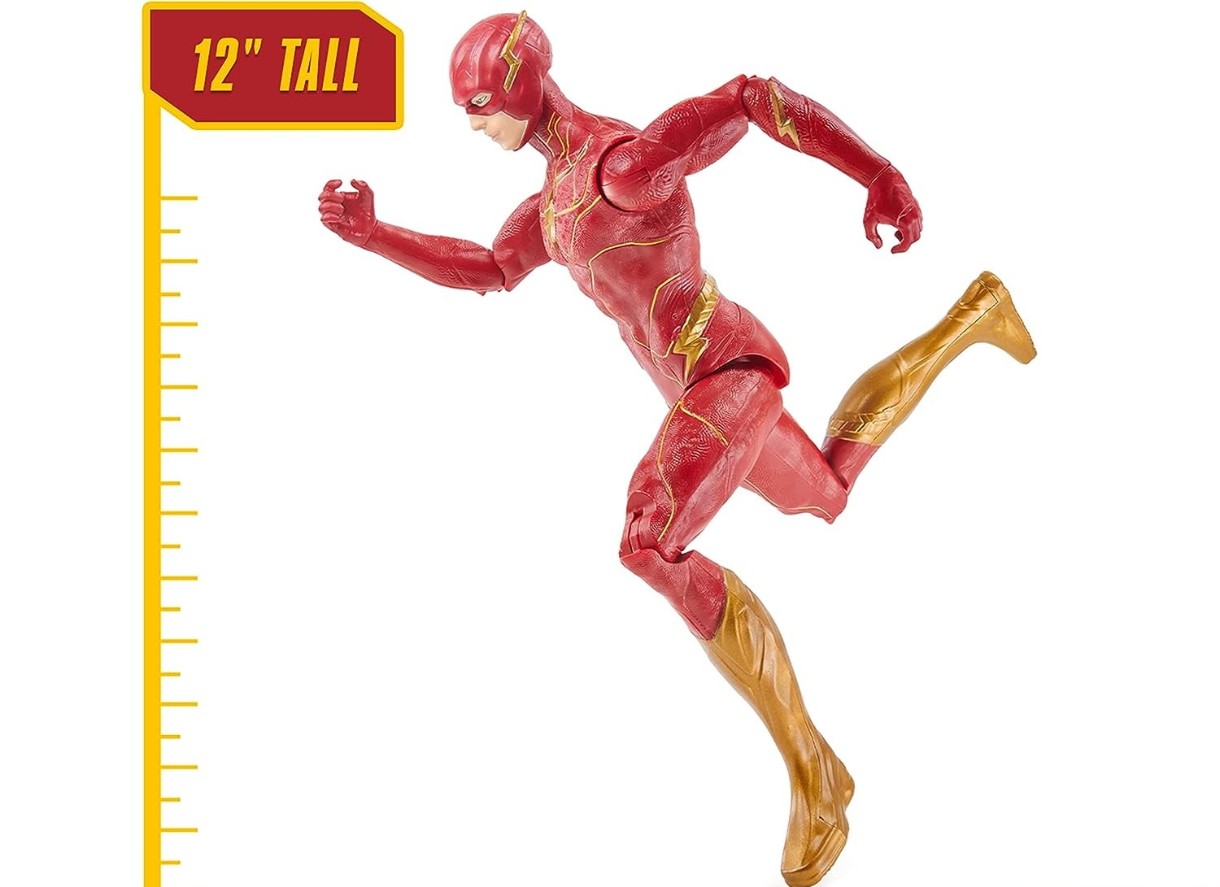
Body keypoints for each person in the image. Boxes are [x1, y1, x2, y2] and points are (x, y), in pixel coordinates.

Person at [318, 12, 1035, 886]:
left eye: (477, 104)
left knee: (646, 540)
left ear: (518, 83)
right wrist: (376, 235)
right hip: (704, 395)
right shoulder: (553, 204)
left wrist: (877, 174)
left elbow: (750, 98)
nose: (472, 124)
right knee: (829, 491)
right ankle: (976, 314)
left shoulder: (620, 168)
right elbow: (489, 267)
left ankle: (816, 772)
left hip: (724, 374)